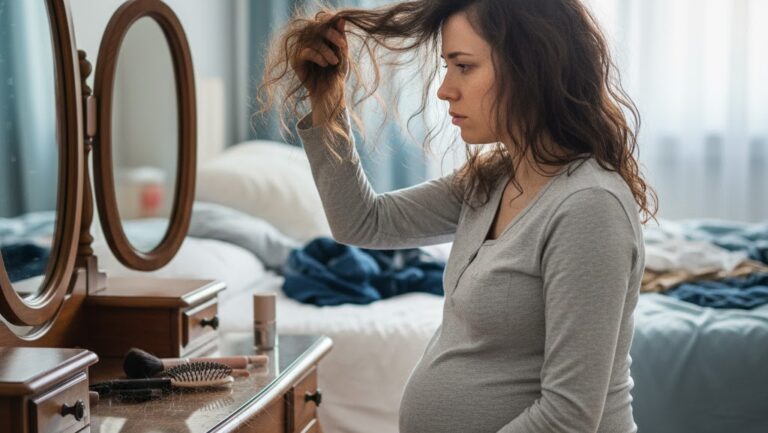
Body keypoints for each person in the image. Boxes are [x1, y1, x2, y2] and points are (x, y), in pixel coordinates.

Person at [260, 0, 658, 432]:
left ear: (533, 67)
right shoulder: (495, 179)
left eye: (464, 66)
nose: (444, 89)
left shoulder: (589, 206)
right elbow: (363, 222)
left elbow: (568, 417)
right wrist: (327, 99)